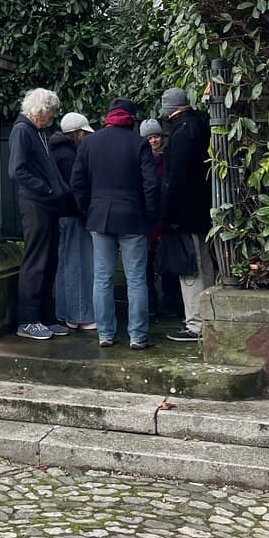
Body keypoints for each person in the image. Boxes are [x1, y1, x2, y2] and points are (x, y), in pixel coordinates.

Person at [70, 96, 160, 349]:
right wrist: (150, 214)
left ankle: (106, 334)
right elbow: (151, 184)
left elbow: (77, 182)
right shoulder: (139, 143)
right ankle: (138, 336)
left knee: (102, 278)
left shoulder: (90, 143)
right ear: (131, 119)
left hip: (100, 218)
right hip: (133, 218)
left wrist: (88, 210)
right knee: (136, 279)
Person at [7, 88, 71, 340]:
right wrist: (46, 188)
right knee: (36, 260)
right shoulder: (23, 131)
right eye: (51, 113)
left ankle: (45, 316)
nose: (52, 118)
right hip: (35, 204)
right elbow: (16, 171)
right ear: (40, 111)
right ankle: (28, 319)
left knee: (49, 260)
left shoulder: (36, 132)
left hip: (46, 203)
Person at [159, 86, 214, 342]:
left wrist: (167, 214)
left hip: (185, 211)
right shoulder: (203, 123)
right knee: (205, 263)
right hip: (205, 207)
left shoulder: (181, 131)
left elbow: (175, 178)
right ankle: (211, 317)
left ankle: (196, 324)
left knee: (189, 268)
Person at [48, 112, 96, 330]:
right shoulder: (69, 155)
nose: (86, 137)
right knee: (78, 263)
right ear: (77, 133)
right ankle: (79, 316)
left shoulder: (56, 150)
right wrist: (84, 210)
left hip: (61, 214)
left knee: (66, 263)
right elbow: (76, 187)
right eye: (84, 133)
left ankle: (65, 312)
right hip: (73, 215)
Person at [139, 118, 184, 323]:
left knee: (167, 264)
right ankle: (151, 306)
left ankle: (170, 303)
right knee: (147, 265)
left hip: (163, 219)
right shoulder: (142, 160)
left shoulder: (168, 158)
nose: (154, 141)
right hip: (149, 219)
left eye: (156, 136)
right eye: (149, 138)